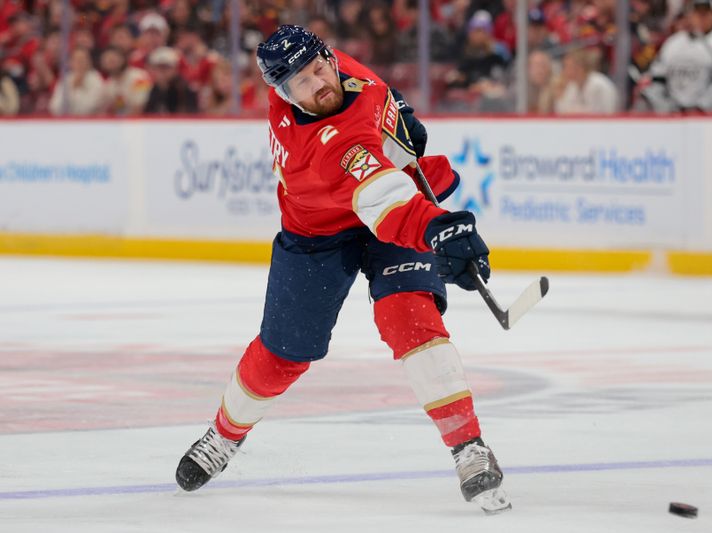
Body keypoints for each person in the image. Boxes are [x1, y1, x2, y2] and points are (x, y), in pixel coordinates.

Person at [174, 24, 510, 514]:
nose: (319, 83)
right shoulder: (332, 145)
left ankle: (469, 446)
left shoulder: (336, 73)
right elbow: (390, 206)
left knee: (409, 317)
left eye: (319, 68)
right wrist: (442, 231)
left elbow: (373, 96)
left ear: (329, 58)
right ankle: (224, 435)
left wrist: (397, 116)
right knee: (283, 352)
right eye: (303, 83)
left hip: (377, 197)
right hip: (320, 232)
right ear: (282, 95)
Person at [638, 0, 712, 112]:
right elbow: (655, 81)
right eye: (697, 13)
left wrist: (701, 107)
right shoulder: (673, 43)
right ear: (690, 15)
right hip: (673, 117)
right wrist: (668, 108)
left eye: (706, 13)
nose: (701, 17)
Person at [553, 47, 619, 114]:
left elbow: (606, 112)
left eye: (567, 66)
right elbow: (563, 112)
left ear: (579, 67)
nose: (564, 71)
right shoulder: (573, 86)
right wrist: (560, 96)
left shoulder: (599, 85)